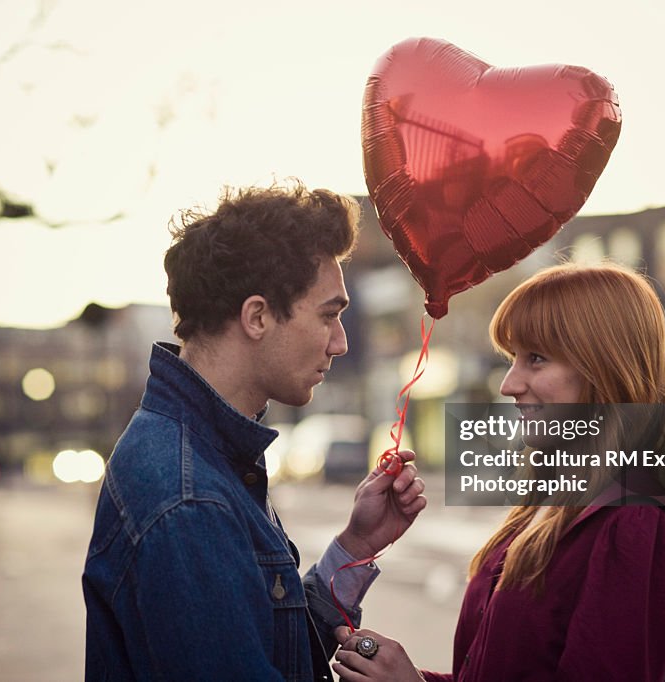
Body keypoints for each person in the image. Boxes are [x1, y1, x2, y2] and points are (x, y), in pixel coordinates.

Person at [82, 181, 427, 681]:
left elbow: (270, 639)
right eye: (329, 315)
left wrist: (355, 546)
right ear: (258, 316)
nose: (340, 343)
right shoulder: (190, 499)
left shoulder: (203, 456)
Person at [333, 262, 665, 682]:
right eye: (513, 358)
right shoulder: (548, 505)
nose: (508, 384)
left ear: (603, 367)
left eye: (536, 359)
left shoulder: (633, 520)